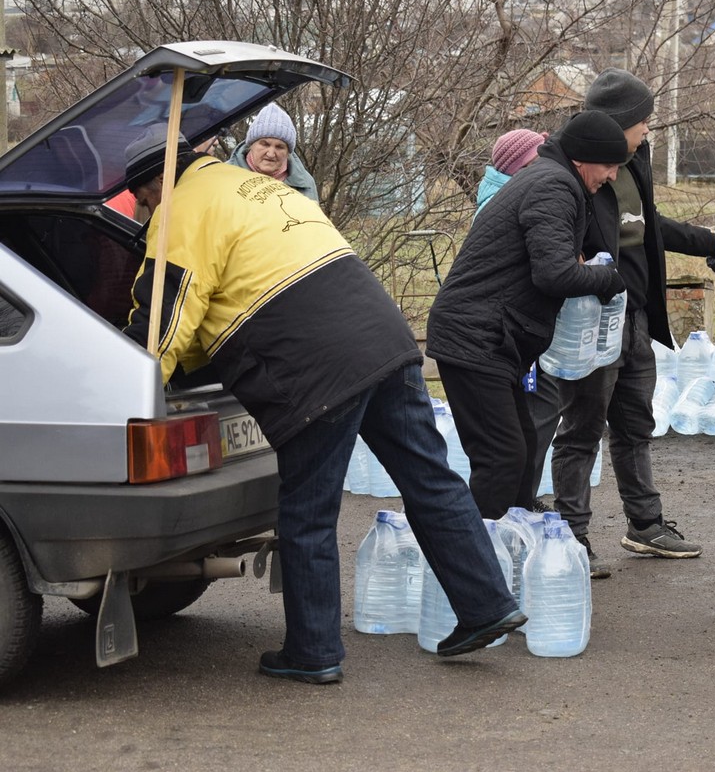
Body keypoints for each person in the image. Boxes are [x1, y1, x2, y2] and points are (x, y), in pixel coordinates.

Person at [121, 123, 524, 685]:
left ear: (151, 188)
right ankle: (487, 605)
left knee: (307, 510)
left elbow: (169, 312)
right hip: (384, 341)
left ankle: (313, 651)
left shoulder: (181, 209)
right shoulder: (259, 189)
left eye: (142, 204)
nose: (145, 214)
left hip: (315, 369)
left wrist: (133, 388)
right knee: (431, 479)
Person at [539, 68, 715, 575]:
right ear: (618, 124)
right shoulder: (576, 171)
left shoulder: (633, 161)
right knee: (582, 429)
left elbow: (648, 226)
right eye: (643, 122)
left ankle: (645, 523)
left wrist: (712, 241)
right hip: (590, 324)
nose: (648, 131)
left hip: (634, 317)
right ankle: (573, 538)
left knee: (635, 424)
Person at [425, 111, 627, 522]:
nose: (612, 177)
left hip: (494, 339)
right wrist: (606, 278)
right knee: (502, 458)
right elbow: (553, 273)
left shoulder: (552, 180)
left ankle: (512, 556)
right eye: (609, 166)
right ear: (585, 158)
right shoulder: (553, 185)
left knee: (521, 451)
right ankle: (473, 564)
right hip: (475, 338)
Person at [229, 103, 320, 201]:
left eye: (280, 147)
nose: (271, 154)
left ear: (288, 152)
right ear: (251, 145)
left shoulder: (305, 184)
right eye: (265, 144)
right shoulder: (226, 176)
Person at [475, 128, 547, 214]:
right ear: (519, 169)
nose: (547, 164)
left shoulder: (521, 193)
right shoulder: (498, 206)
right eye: (539, 160)